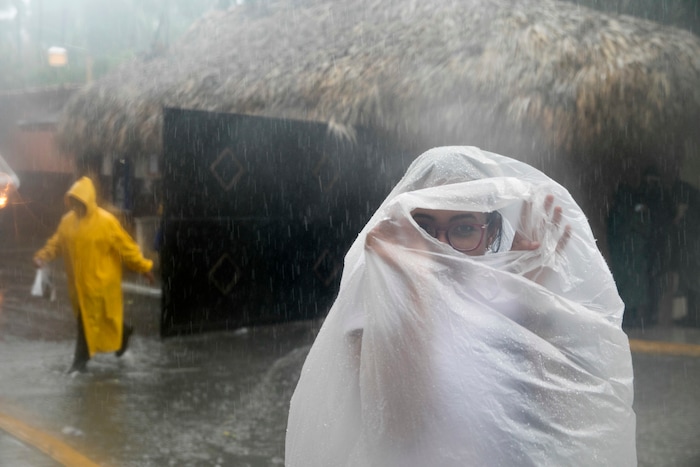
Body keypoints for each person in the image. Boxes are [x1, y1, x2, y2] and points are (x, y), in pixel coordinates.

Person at [285, 147, 636, 466]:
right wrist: (417, 289)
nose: (441, 246)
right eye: (424, 227)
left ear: (489, 234)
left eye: (463, 228)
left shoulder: (498, 295)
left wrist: (535, 294)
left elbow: (541, 413)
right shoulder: (376, 293)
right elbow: (399, 426)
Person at [33, 176, 155, 374]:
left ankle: (79, 363)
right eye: (73, 201)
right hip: (79, 286)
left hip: (101, 285)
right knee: (101, 320)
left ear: (88, 200)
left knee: (86, 323)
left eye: (80, 201)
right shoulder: (67, 223)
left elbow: (127, 248)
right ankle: (123, 333)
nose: (76, 205)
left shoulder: (106, 222)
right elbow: (56, 244)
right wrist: (42, 257)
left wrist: (144, 268)